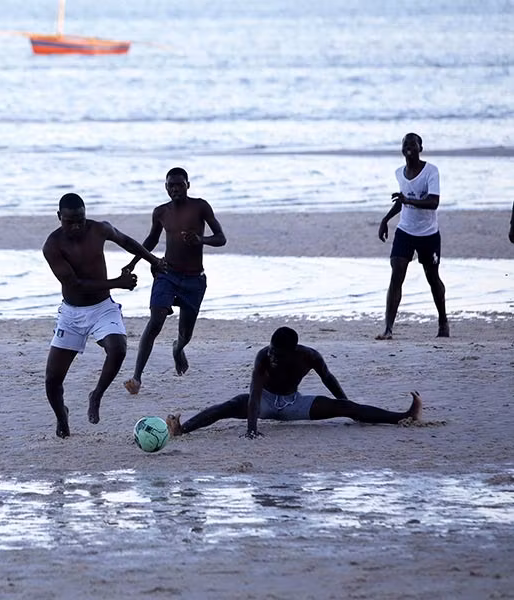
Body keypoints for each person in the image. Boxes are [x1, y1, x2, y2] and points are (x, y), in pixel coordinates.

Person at [43, 193, 166, 438]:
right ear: (59, 218)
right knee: (52, 380)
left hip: (101, 308)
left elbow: (127, 241)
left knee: (118, 348)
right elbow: (75, 284)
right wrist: (117, 283)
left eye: (80, 219)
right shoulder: (52, 246)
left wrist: (152, 260)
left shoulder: (99, 229)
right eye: (70, 221)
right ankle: (62, 416)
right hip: (71, 314)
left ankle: (96, 394)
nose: (77, 226)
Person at [165, 326, 422, 439]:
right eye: (271, 351)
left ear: (293, 350)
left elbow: (328, 378)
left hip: (295, 403)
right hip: (264, 402)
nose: (272, 357)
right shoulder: (263, 356)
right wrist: (252, 429)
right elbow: (254, 396)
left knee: (349, 407)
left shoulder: (309, 356)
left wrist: (343, 403)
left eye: (278, 354)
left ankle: (403, 416)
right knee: (228, 406)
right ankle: (183, 429)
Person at [122, 167, 226, 395]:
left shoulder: (200, 206)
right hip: (166, 273)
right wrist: (133, 262)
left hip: (194, 280)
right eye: (171, 185)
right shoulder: (161, 212)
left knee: (185, 334)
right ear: (165, 187)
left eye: (180, 184)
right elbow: (150, 240)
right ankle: (137, 377)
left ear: (188, 184)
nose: (175, 189)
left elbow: (221, 238)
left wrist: (201, 239)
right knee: (156, 319)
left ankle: (178, 350)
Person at [376, 133, 448, 340]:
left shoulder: (431, 171)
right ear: (402, 149)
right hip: (405, 231)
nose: (409, 147)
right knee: (396, 273)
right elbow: (402, 201)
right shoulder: (399, 172)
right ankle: (388, 328)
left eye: (413, 144)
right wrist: (385, 219)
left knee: (432, 277)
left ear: (420, 148)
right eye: (405, 144)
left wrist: (408, 200)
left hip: (428, 234)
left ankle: (443, 321)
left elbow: (434, 202)